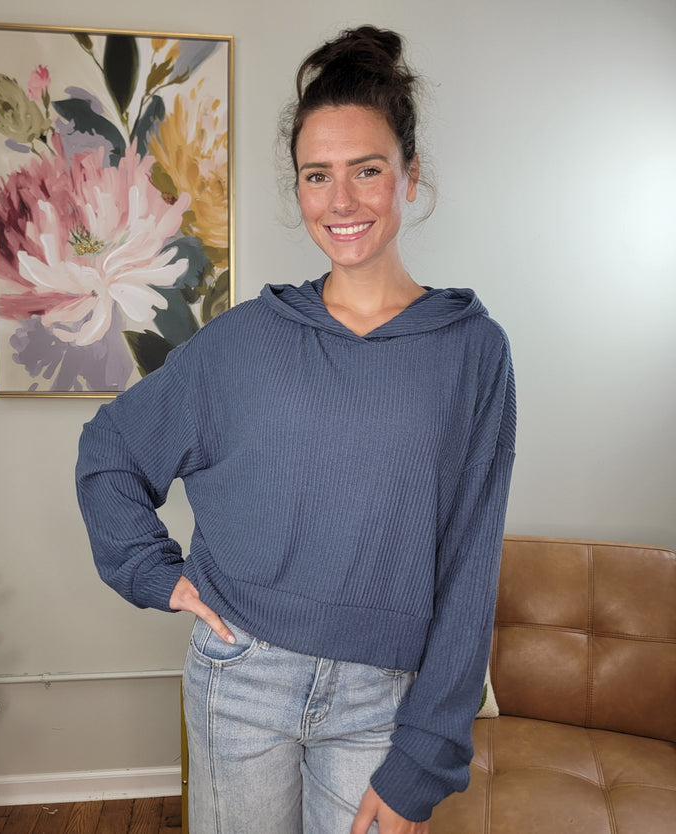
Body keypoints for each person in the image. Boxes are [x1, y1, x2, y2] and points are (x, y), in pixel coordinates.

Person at [76, 25, 516, 834]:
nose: (340, 201)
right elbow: (110, 451)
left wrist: (427, 751)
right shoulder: (244, 340)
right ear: (299, 187)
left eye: (367, 171)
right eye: (318, 176)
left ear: (410, 177)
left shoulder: (470, 352)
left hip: (382, 699)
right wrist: (154, 571)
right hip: (240, 679)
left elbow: (471, 561)